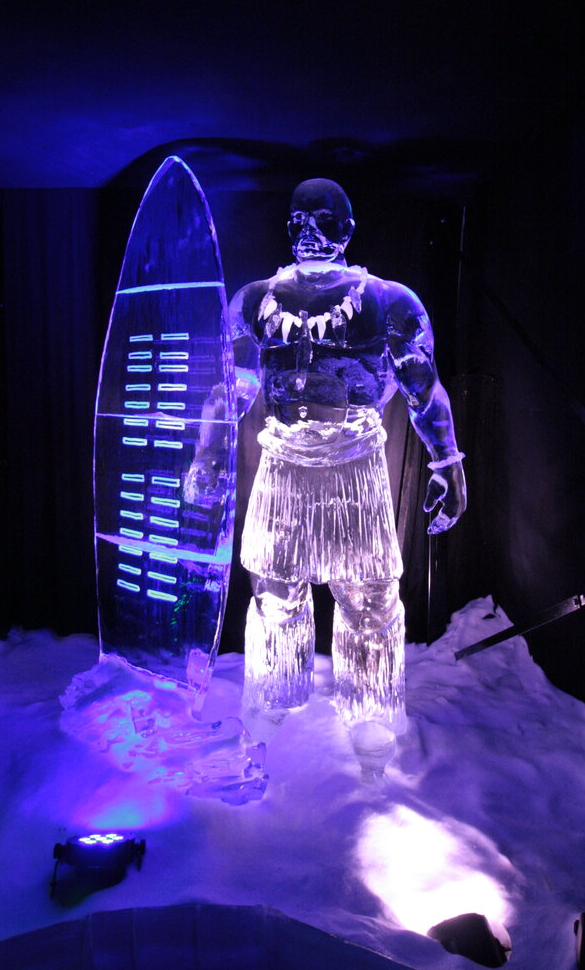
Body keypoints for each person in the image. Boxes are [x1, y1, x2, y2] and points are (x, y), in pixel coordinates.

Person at [224, 179, 466, 745]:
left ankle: (371, 712)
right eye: (298, 219)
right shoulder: (256, 299)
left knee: (368, 599)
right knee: (275, 593)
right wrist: (207, 455)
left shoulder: (387, 300)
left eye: (324, 219)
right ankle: (275, 698)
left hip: (354, 464)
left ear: (348, 228)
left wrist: (447, 463)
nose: (309, 231)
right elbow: (232, 386)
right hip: (283, 461)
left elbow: (423, 389)